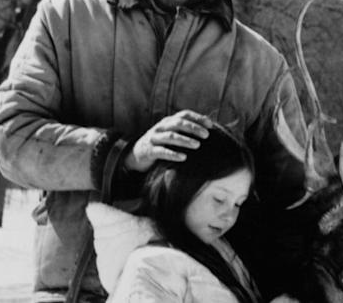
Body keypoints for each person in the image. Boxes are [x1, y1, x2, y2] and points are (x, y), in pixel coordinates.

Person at [0, 0, 309, 303]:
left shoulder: (263, 68)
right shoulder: (65, 20)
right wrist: (121, 156)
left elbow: (294, 206)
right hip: (73, 291)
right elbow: (11, 139)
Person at [107, 123, 261, 302]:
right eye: (219, 199)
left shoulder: (222, 251)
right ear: (177, 184)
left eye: (238, 204)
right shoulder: (151, 268)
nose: (229, 216)